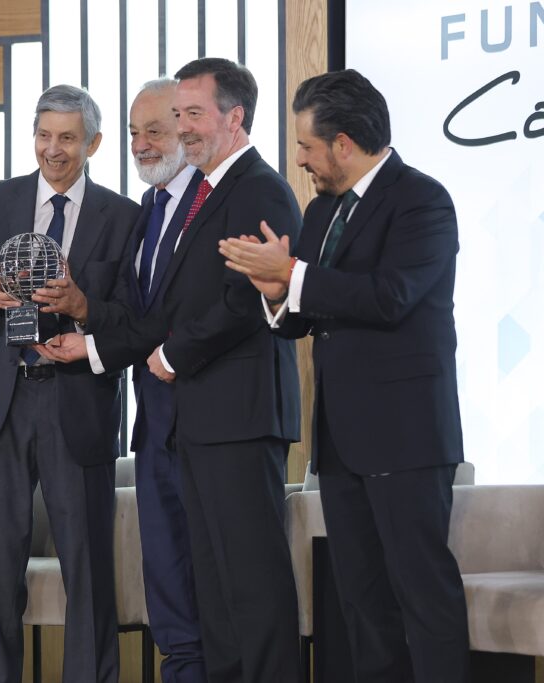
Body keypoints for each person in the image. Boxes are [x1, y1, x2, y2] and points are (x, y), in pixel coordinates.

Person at [38, 59, 302, 683]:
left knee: (250, 585)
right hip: (181, 420)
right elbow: (154, 313)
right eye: (166, 121)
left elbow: (245, 299)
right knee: (202, 587)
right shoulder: (173, 203)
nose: (172, 134)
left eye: (186, 117)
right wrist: (90, 343)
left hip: (236, 416)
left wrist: (175, 353)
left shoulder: (257, 189)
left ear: (234, 118)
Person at [219, 68, 470, 683]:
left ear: (344, 143)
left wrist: (292, 275)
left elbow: (391, 297)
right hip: (340, 441)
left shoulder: (422, 199)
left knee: (422, 595)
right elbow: (303, 317)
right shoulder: (323, 209)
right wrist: (275, 292)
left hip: (406, 437)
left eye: (306, 146)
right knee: (362, 601)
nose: (299, 160)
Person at [0, 84, 140, 683]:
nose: (53, 149)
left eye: (68, 138)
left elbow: (133, 319)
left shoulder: (123, 216)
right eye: (44, 135)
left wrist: (83, 305)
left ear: (93, 144)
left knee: (87, 566)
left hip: (77, 399)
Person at [119, 78, 208, 683]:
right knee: (167, 576)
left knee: (210, 576)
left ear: (186, 128)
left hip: (208, 420)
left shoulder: (216, 197)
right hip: (153, 422)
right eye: (134, 132)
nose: (141, 145)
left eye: (154, 130)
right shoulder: (144, 212)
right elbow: (138, 318)